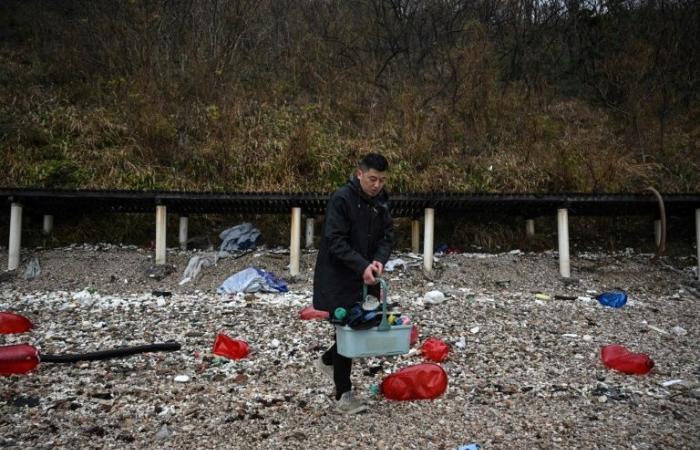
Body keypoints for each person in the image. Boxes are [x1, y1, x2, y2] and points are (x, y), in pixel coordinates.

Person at [312, 153, 394, 414]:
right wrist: (362, 266)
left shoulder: (381, 201)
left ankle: (328, 360)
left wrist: (380, 260)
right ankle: (343, 395)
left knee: (363, 325)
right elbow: (334, 240)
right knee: (345, 329)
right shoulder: (342, 199)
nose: (377, 185)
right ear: (359, 174)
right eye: (372, 179)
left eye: (381, 180)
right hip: (339, 275)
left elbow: (388, 236)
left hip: (368, 275)